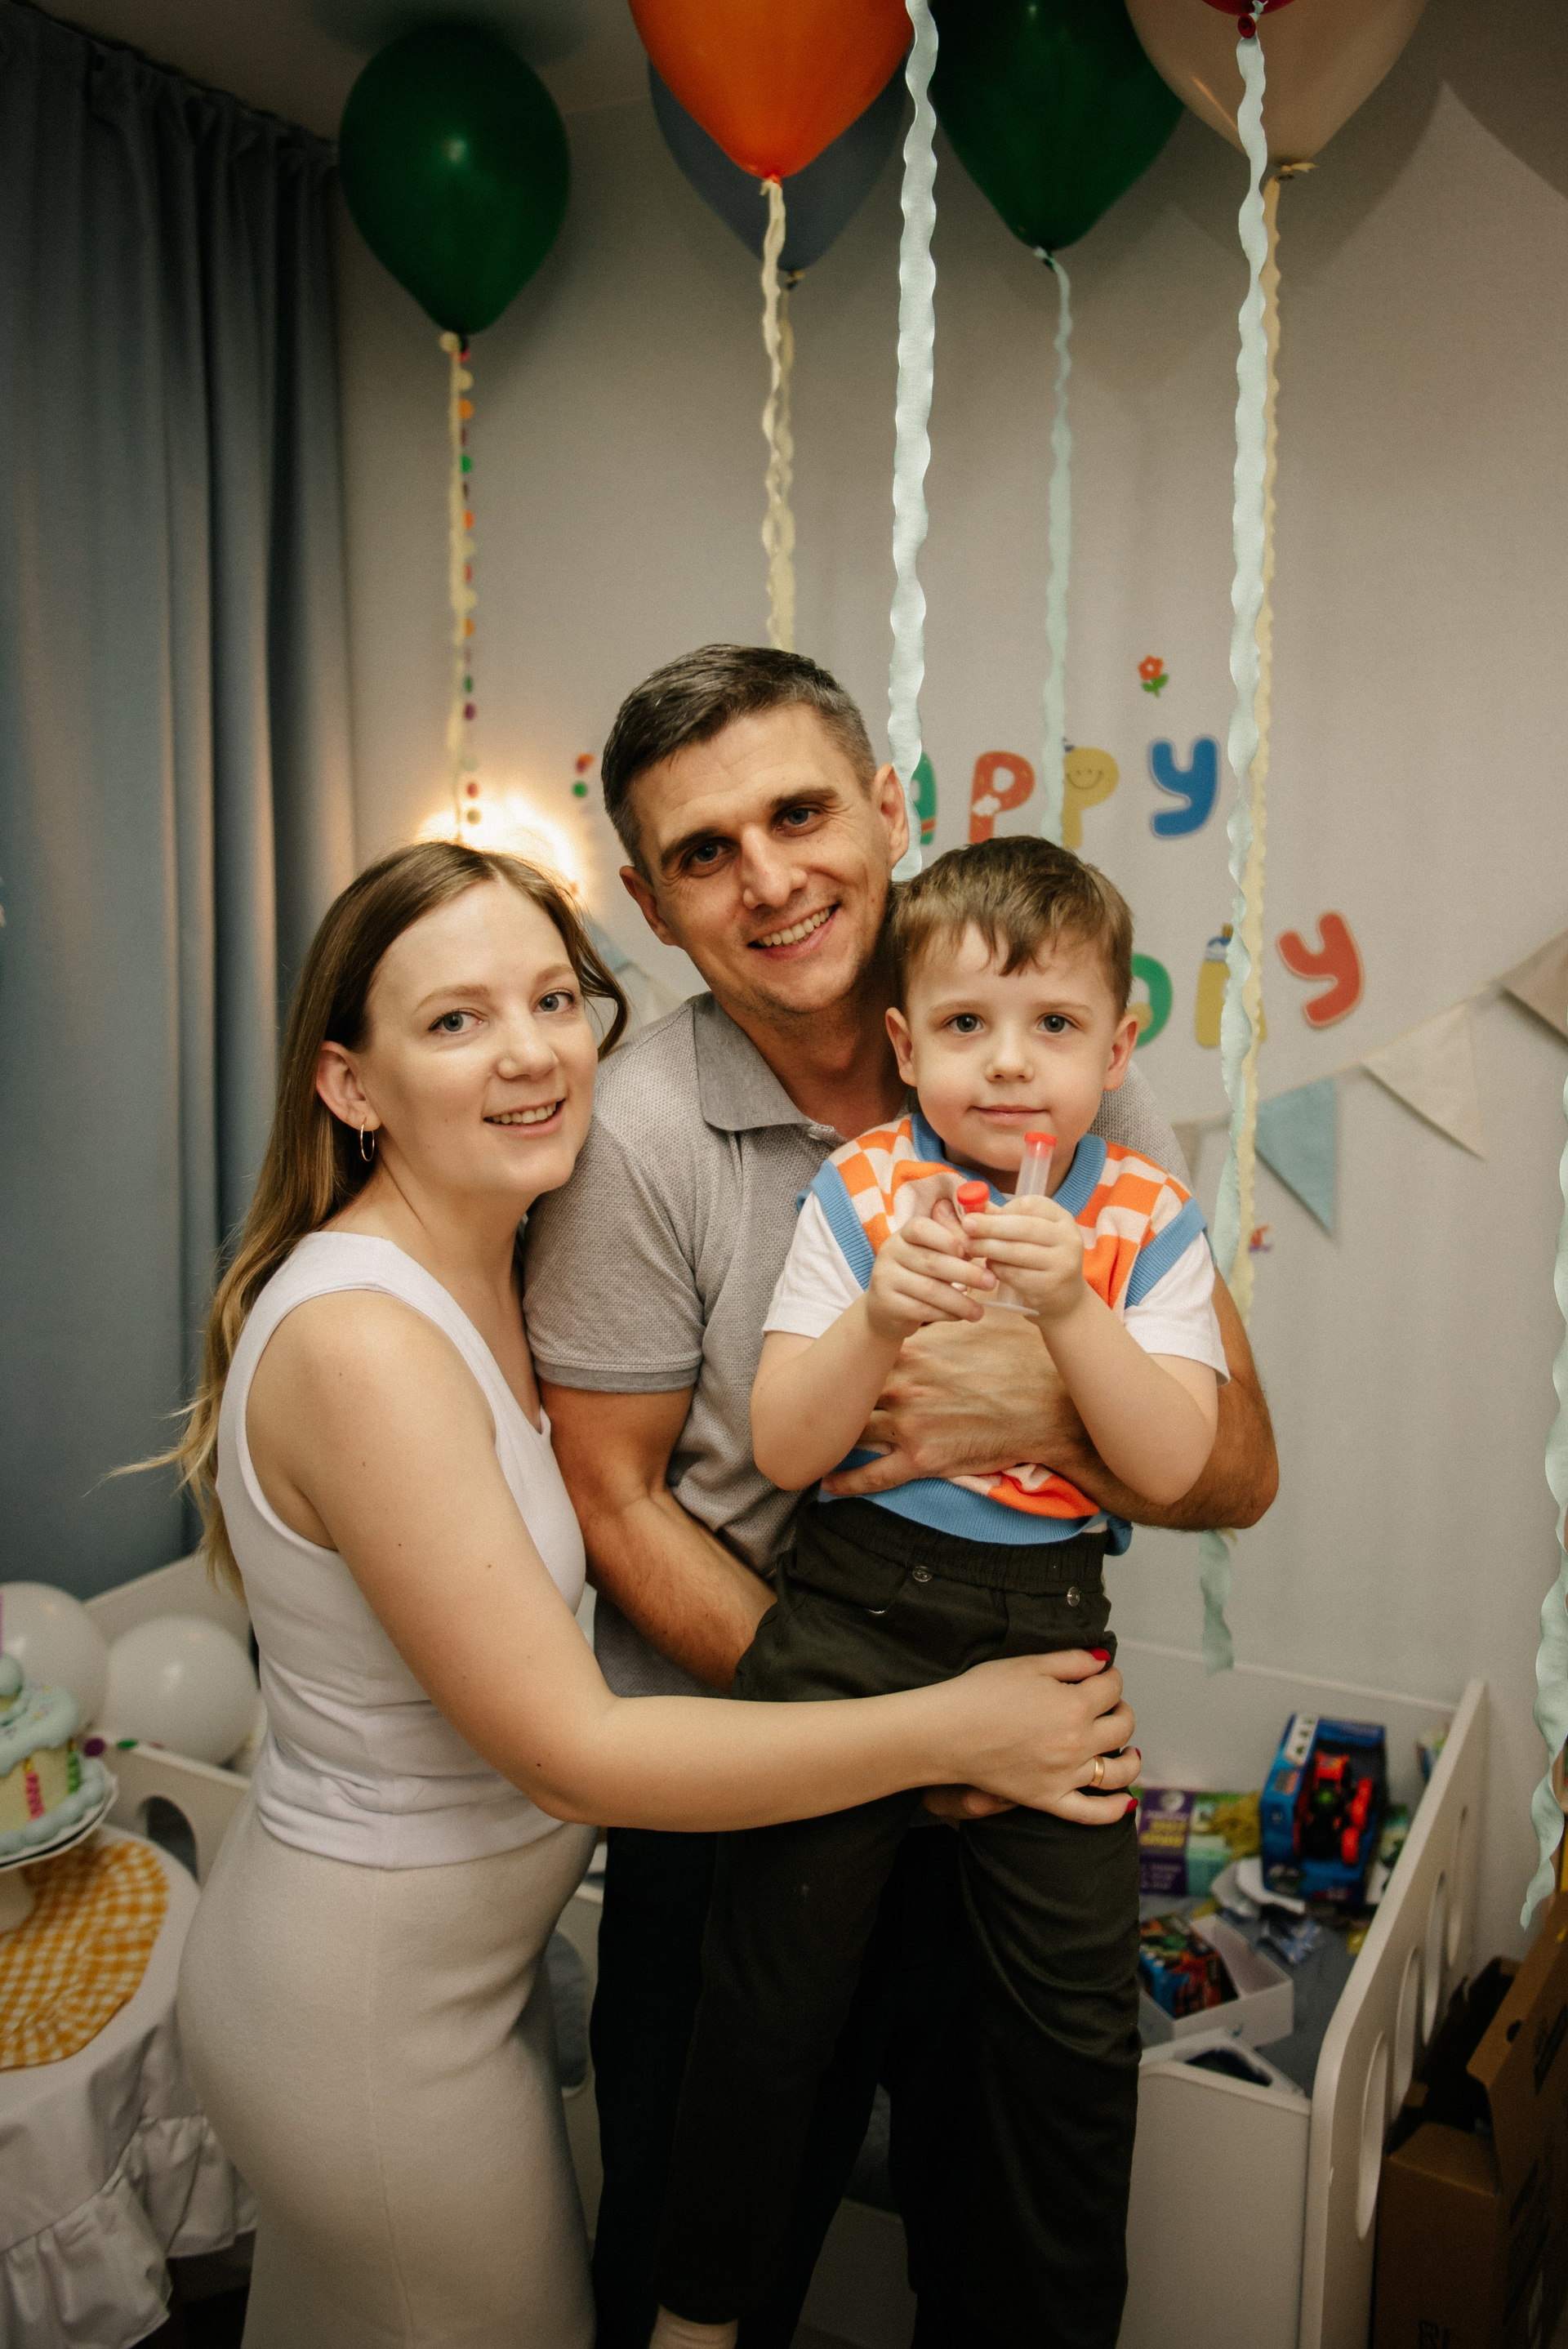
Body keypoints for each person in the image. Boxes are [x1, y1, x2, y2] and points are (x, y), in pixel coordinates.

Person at [171, 837, 1140, 2349]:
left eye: (552, 1000)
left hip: (451, 1980)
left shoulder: (493, 1259)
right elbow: (578, 1749)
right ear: (350, 1085)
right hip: (366, 2012)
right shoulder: (362, 1342)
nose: (530, 1052)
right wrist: (958, 1732)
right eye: (456, 1020)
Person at [523, 645, 1279, 2348]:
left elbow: (1237, 1463)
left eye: (799, 813)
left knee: (1006, 2233)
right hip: (746, 1766)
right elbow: (615, 1505)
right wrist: (892, 1738)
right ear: (649, 903)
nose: (769, 877)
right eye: (704, 851)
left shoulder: (1059, 1060)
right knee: (701, 2236)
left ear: (888, 806)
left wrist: (1047, 1408)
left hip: (1015, 1750)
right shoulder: (637, 1135)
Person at [651, 837, 1227, 2349]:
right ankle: (699, 2309)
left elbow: (1175, 1465)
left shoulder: (1150, 1215)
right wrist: (873, 1321)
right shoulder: (862, 1191)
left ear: (1118, 1049)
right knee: (767, 2000)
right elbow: (787, 1447)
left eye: (1054, 1026)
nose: (1011, 1064)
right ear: (907, 1049)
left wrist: (1073, 1312)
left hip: (1048, 1634)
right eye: (968, 1025)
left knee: (1071, 2035)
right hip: (851, 1616)